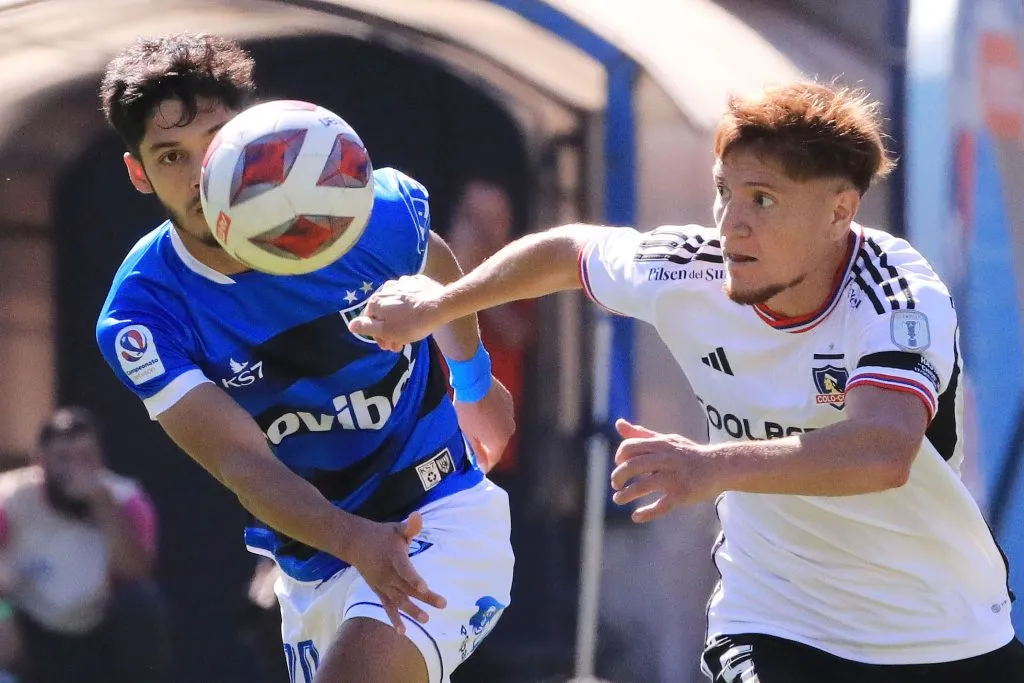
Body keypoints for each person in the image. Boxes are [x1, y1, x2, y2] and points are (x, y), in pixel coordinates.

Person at [349, 81, 1024, 682]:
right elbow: (566, 251)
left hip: (942, 631)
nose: (732, 224)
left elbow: (882, 450)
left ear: (840, 211)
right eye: (724, 192)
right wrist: (441, 306)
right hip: (778, 618)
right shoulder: (688, 267)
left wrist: (711, 464)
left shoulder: (893, 291)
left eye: (763, 199)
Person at [95, 32, 515, 683]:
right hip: (315, 561)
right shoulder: (143, 314)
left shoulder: (357, 211)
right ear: (139, 173)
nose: (202, 174)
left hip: (442, 510)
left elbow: (430, 259)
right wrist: (352, 540)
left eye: (215, 143)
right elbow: (241, 460)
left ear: (253, 132)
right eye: (171, 156)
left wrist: (474, 378)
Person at [0, 407, 166, 683]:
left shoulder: (126, 500)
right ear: (41, 461)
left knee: (143, 603)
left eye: (85, 458)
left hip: (94, 633)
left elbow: (137, 574)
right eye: (63, 459)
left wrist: (105, 508)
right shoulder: (10, 497)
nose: (74, 470)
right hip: (29, 632)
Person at [447, 179, 535, 473]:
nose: (483, 233)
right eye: (475, 220)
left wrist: (477, 283)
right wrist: (454, 268)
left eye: (493, 221)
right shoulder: (431, 265)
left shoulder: (521, 271)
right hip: (436, 435)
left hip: (494, 441)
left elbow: (517, 334)